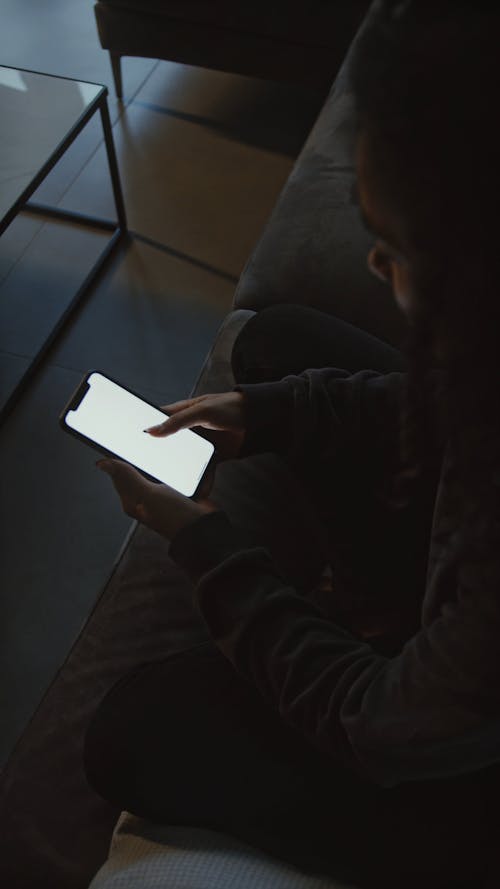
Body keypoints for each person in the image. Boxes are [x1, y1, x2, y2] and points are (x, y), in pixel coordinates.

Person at [84, 3, 500, 887]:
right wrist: (268, 414)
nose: (373, 271)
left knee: (131, 730)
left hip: (458, 786)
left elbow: (376, 723)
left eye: (394, 249)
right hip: (454, 653)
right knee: (278, 346)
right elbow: (445, 409)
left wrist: (210, 549)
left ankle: (366, 620)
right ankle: (370, 605)